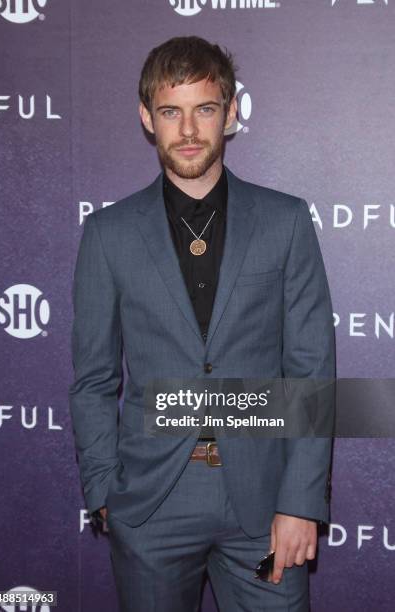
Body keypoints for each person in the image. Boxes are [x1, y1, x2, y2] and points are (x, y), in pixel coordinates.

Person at [69, 35, 336, 612]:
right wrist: (105, 490)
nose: (188, 130)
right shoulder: (109, 234)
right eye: (171, 112)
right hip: (151, 506)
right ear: (147, 118)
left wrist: (301, 502)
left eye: (204, 109)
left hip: (265, 506)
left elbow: (311, 373)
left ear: (231, 113)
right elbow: (93, 379)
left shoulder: (285, 221)